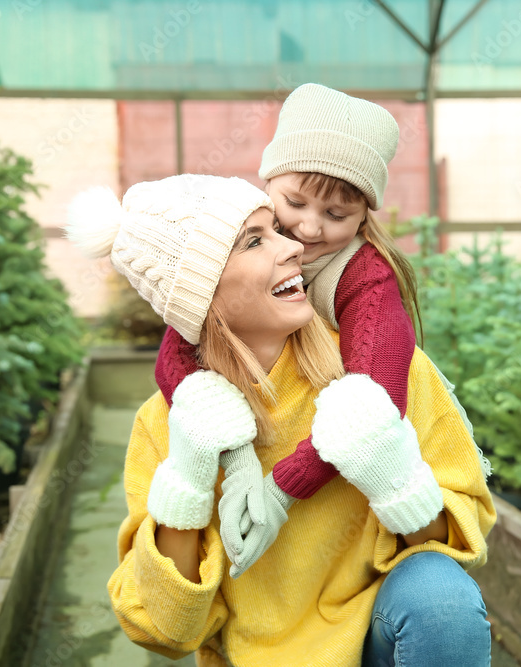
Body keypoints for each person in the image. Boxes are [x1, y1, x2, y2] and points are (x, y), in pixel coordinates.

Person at [66, 173, 495, 666]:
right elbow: (165, 631)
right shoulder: (165, 421)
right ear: (200, 293)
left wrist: (393, 476)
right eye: (254, 241)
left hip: (376, 642)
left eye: (275, 228)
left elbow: (463, 542)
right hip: (252, 656)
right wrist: (187, 479)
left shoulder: (378, 379)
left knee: (440, 599)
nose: (292, 245)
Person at [153, 84, 487, 576]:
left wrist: (281, 488)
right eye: (295, 202)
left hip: (342, 482)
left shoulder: (366, 276)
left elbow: (369, 410)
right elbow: (175, 350)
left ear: (364, 215)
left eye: (337, 215)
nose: (308, 229)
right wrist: (235, 453)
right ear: (267, 184)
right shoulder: (230, 239)